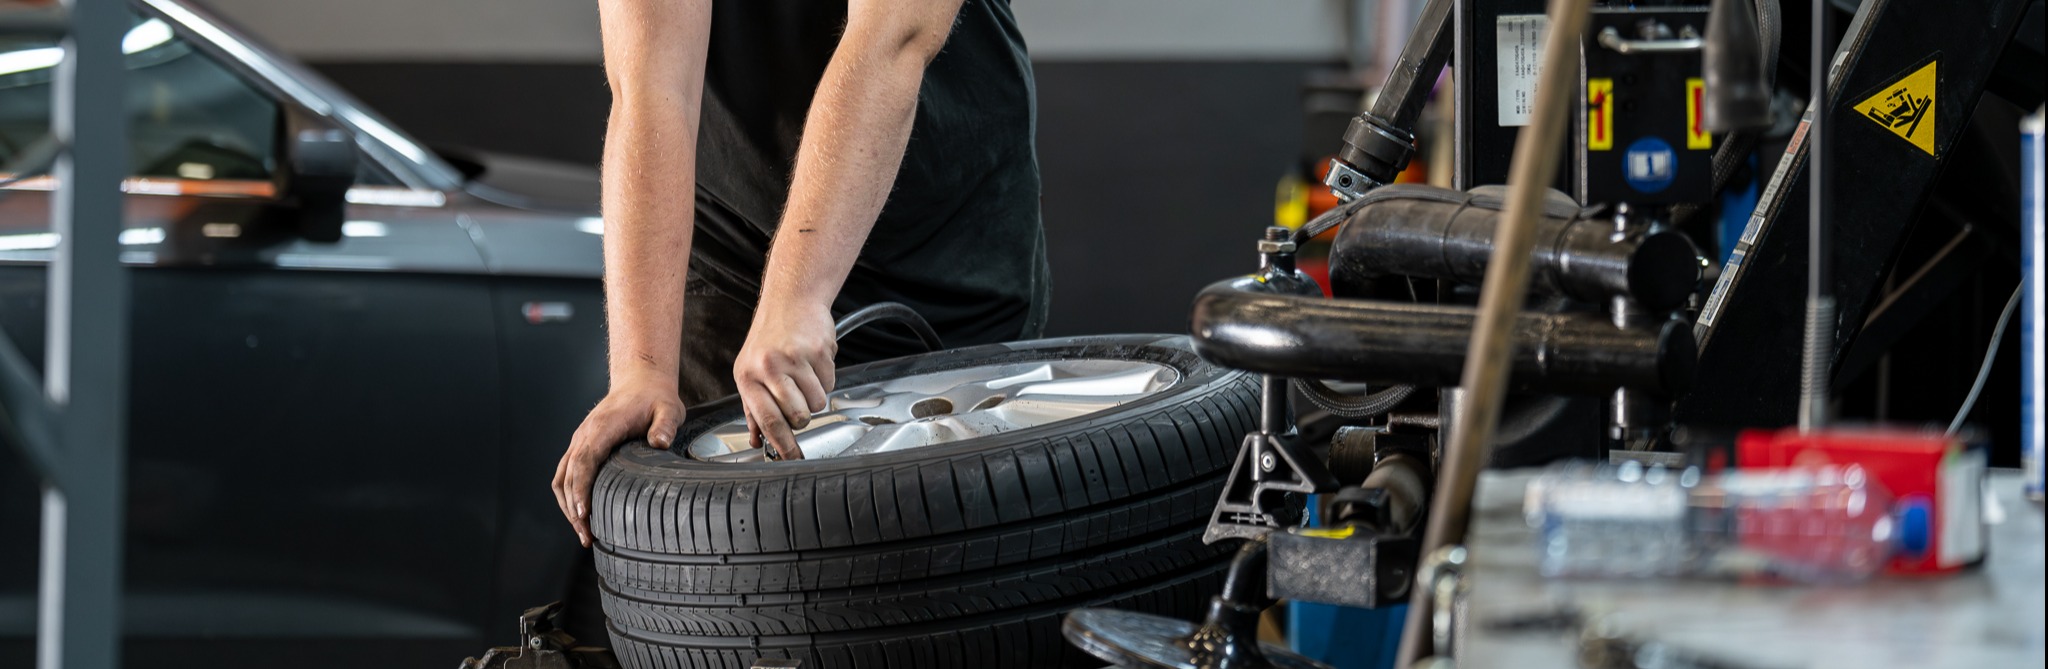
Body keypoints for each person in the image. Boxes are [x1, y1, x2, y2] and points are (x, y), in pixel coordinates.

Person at [550, 0, 1049, 547]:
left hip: (947, 242)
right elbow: (653, 87)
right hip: (732, 245)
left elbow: (892, 39)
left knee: (961, 549)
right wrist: (640, 370)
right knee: (723, 556)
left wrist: (797, 295)